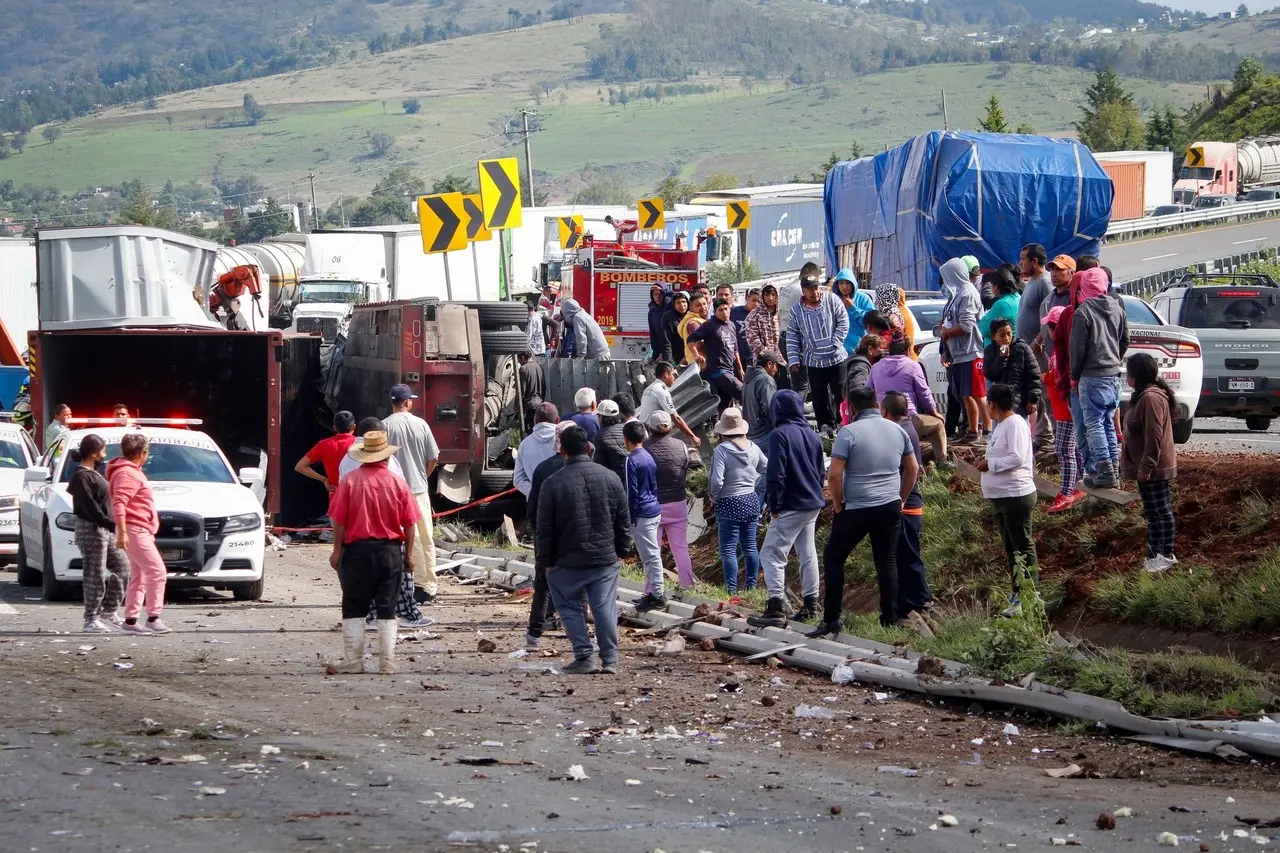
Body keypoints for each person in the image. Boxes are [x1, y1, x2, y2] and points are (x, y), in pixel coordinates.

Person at [809, 387, 918, 636]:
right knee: (886, 560)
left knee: (834, 557)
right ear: (877, 405)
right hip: (889, 505)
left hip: (857, 506)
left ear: (853, 409)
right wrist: (900, 498)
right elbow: (912, 468)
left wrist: (838, 504)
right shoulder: (898, 430)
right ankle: (889, 618)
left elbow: (834, 474)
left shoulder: (848, 433)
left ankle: (832, 618)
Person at [535, 425, 632, 675]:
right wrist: (623, 550)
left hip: (566, 562)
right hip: (604, 559)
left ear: (562, 451)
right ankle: (610, 660)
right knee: (604, 607)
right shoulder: (611, 478)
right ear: (589, 448)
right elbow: (623, 518)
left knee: (568, 607)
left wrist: (545, 560)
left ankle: (583, 656)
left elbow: (544, 528)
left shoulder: (552, 484)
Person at [326, 430, 420, 675]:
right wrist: (409, 555)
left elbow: (338, 521)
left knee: (354, 605)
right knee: (387, 607)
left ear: (363, 456)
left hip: (356, 553)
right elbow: (410, 523)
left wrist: (336, 551)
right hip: (390, 553)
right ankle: (387, 663)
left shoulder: (349, 481)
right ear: (386, 458)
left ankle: (354, 661)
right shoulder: (398, 483)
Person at [748, 390, 825, 628]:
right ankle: (811, 604)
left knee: (771, 553)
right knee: (807, 552)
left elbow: (776, 473)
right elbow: (821, 470)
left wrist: (774, 504)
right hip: (812, 501)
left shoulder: (779, 435)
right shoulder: (813, 435)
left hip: (790, 502)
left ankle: (775, 607)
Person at [976, 383, 1038, 619]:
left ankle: (1029, 594)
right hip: (1001, 497)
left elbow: (1017, 457)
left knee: (1022, 546)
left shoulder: (1015, 424)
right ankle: (1018, 592)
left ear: (992, 403)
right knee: (1012, 548)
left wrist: (990, 465)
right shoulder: (1001, 425)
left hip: (1016, 495)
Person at [1069, 267, 1129, 488]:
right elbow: (1125, 341)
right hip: (1113, 375)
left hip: (1092, 376)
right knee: (1108, 424)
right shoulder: (1117, 307)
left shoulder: (1083, 312)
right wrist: (1114, 359)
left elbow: (1077, 350)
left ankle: (1104, 471)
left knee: (1094, 424)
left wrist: (1075, 376)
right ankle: (1113, 469)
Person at [382, 383, 441, 606]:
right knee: (425, 537)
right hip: (418, 489)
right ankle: (429, 585)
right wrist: (423, 475)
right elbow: (434, 457)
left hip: (395, 491)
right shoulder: (421, 425)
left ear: (392, 402)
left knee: (403, 540)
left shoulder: (385, 426)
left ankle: (410, 584)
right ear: (407, 402)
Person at [1121, 353, 1179, 573]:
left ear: (1136, 375)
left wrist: (1147, 465)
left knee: (1161, 512)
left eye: (1129, 373)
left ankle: (1166, 555)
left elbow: (1153, 436)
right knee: (1152, 513)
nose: (1126, 377)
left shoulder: (1151, 398)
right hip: (1146, 468)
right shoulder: (1142, 395)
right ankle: (1155, 555)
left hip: (1153, 469)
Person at [523, 420, 576, 651]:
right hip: (572, 535)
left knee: (543, 582)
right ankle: (575, 629)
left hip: (546, 534)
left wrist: (538, 532)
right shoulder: (581, 468)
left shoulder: (544, 469)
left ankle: (536, 630)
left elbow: (532, 506)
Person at [69, 434, 129, 633]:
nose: (105, 453)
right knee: (95, 574)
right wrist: (113, 526)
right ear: (94, 453)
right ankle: (91, 618)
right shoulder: (81, 476)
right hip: (91, 529)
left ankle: (110, 610)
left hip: (104, 528)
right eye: (102, 449)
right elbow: (90, 508)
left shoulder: (95, 473)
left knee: (122, 567)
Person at [111, 433, 170, 636]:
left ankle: (131, 619)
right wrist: (123, 532)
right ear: (142, 453)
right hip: (135, 528)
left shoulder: (128, 472)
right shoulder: (128, 473)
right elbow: (119, 503)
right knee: (157, 571)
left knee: (141, 574)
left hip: (137, 528)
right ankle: (153, 617)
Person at [881, 391, 933, 616]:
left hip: (907, 504)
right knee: (904, 554)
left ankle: (918, 600)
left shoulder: (899, 432)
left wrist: (900, 499)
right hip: (908, 502)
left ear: (885, 412)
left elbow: (912, 470)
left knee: (907, 555)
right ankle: (910, 600)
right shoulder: (908, 428)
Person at [707, 408, 768, 594]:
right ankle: (751, 587)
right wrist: (758, 489)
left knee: (728, 549)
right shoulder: (753, 447)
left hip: (728, 502)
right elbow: (767, 469)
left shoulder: (722, 450)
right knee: (750, 546)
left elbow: (717, 481)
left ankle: (731, 589)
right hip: (751, 500)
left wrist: (713, 496)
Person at [868, 331, 949, 467]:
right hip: (908, 419)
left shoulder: (876, 367)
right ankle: (942, 461)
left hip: (882, 419)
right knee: (938, 424)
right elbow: (924, 392)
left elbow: (868, 391)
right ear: (907, 350)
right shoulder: (912, 365)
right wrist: (934, 412)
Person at [643, 411, 699, 591]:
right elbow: (685, 468)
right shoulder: (681, 446)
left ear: (649, 428)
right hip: (677, 504)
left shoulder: (643, 448)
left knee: (653, 551)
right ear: (671, 427)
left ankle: (651, 589)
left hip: (652, 505)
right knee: (680, 548)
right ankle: (687, 585)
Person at [787, 270, 849, 433]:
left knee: (840, 393)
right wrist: (793, 359)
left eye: (816, 288)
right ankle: (824, 426)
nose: (814, 292)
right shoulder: (796, 310)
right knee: (818, 396)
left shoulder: (832, 300)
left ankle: (843, 423)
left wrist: (835, 343)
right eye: (809, 289)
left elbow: (843, 322)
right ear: (803, 291)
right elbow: (792, 335)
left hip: (836, 358)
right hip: (813, 360)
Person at [937, 257, 988, 444]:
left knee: (978, 394)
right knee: (965, 394)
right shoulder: (956, 294)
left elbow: (966, 325)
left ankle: (988, 431)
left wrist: (946, 332)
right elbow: (949, 320)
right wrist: (945, 345)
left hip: (971, 351)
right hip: (958, 353)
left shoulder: (968, 293)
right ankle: (972, 431)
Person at [1041, 307, 1085, 514]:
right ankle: (1079, 484)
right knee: (1074, 448)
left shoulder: (1062, 353)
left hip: (1066, 409)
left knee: (1064, 450)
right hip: (1065, 408)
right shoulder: (1063, 349)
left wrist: (1046, 378)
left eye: (1050, 327)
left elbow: (1060, 381)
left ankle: (1067, 491)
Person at [624, 421, 666, 612]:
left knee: (650, 556)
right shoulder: (648, 456)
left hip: (641, 511)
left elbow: (631, 491)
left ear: (626, 440)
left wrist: (630, 516)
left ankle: (658, 594)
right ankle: (653, 593)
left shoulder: (631, 460)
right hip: (653, 508)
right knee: (649, 554)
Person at [689, 297, 744, 412]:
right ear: (714, 312)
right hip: (717, 371)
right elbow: (690, 339)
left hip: (730, 370)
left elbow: (735, 349)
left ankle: (719, 427)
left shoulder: (731, 325)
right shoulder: (710, 325)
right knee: (743, 391)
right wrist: (696, 355)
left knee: (724, 407)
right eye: (720, 310)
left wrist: (740, 369)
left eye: (726, 309)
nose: (724, 312)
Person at [983, 318, 1042, 422]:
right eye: (1002, 335)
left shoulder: (1022, 348)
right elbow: (991, 375)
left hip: (1019, 402)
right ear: (993, 336)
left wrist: (1032, 400)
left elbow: (1034, 375)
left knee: (1018, 432)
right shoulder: (990, 351)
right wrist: (1002, 358)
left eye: (1009, 334)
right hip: (999, 404)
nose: (1006, 338)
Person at [295, 410, 357, 502]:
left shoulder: (324, 445)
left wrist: (324, 480)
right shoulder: (360, 444)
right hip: (357, 496)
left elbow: (299, 467)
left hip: (336, 499)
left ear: (335, 428)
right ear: (354, 427)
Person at [635, 362, 701, 447]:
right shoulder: (661, 391)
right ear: (666, 374)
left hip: (644, 431)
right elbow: (675, 417)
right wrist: (692, 436)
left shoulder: (650, 388)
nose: (674, 378)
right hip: (652, 434)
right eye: (672, 375)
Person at [513, 402, 560, 499]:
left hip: (536, 504)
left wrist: (536, 492)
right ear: (558, 420)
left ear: (535, 421)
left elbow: (518, 480)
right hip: (562, 500)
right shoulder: (564, 441)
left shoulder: (524, 444)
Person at [1017, 244, 1052, 350]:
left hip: (1037, 350)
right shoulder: (1031, 279)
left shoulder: (1045, 282)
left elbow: (1051, 317)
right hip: (1025, 347)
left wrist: (1037, 342)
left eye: (1023, 259)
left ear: (1034, 261)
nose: (1020, 263)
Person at [833, 270, 875, 355]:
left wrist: (853, 308)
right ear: (837, 285)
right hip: (838, 352)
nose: (844, 286)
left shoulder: (863, 298)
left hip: (860, 350)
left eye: (847, 283)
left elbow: (871, 323)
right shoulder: (833, 300)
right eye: (841, 283)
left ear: (853, 283)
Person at [742, 350, 781, 441]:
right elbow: (770, 409)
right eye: (776, 366)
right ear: (769, 364)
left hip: (750, 433)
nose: (777, 370)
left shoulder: (748, 378)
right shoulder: (766, 380)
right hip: (764, 434)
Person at [978, 267, 1021, 346]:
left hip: (1000, 351)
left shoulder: (1003, 304)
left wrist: (984, 318)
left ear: (996, 286)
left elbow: (984, 330)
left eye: (991, 285)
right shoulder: (1017, 296)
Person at [592, 399, 628, 481]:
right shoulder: (627, 429)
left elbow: (599, 464)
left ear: (601, 417)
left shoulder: (600, 437)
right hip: (630, 474)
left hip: (614, 479)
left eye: (598, 416)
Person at [745, 284, 780, 365]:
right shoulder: (754, 315)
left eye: (773, 294)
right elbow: (752, 340)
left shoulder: (781, 313)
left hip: (781, 360)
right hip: (762, 360)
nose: (770, 298)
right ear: (762, 296)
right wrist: (767, 355)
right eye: (767, 295)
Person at [844, 333, 882, 400]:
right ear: (870, 349)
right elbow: (857, 388)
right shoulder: (860, 366)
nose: (881, 352)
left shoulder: (858, 361)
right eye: (879, 349)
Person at [679, 293, 710, 367]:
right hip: (700, 364)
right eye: (698, 305)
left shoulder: (700, 320)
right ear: (691, 308)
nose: (703, 307)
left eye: (704, 304)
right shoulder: (694, 323)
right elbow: (699, 345)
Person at [517, 351, 545, 428]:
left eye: (518, 360)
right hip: (539, 403)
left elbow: (522, 390)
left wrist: (517, 405)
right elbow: (544, 386)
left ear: (522, 358)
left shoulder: (523, 369)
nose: (518, 362)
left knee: (529, 431)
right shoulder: (539, 367)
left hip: (529, 405)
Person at [661, 292, 689, 364]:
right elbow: (667, 341)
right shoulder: (668, 317)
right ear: (674, 305)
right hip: (676, 358)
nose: (682, 305)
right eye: (678, 303)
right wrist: (669, 362)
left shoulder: (692, 315)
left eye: (684, 302)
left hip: (692, 356)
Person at [646, 284, 668, 361]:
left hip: (672, 353)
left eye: (660, 294)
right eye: (655, 294)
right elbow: (653, 336)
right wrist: (654, 356)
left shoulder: (670, 309)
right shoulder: (652, 313)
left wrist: (665, 353)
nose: (657, 297)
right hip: (659, 355)